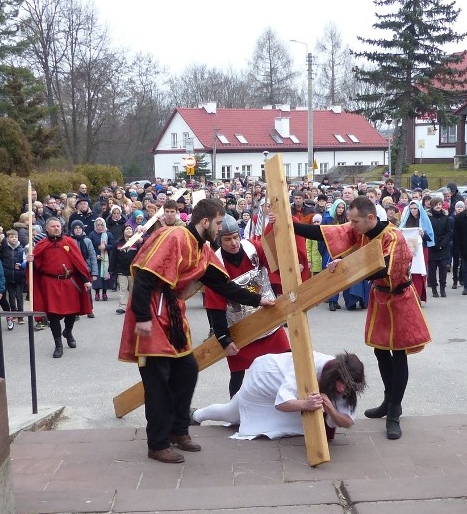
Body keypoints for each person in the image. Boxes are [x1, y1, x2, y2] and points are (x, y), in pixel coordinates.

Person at [118, 198, 275, 464]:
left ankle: (178, 431)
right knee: (157, 381)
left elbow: (221, 284)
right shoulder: (175, 237)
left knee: (187, 370)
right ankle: (157, 443)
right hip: (152, 312)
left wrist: (257, 300)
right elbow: (144, 275)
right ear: (205, 222)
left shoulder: (201, 249)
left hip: (171, 313)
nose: (219, 228)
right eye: (216, 223)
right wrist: (142, 318)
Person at [289, 195, 432, 439]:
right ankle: (388, 400)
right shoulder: (361, 228)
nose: (350, 225)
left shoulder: (393, 237)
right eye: (350, 221)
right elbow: (327, 232)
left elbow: (377, 268)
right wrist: (290, 225)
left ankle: (395, 412)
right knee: (380, 351)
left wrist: (342, 265)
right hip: (380, 298)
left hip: (399, 299)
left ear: (369, 218)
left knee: (398, 355)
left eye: (354, 221)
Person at [205, 214, 290, 397]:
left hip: (269, 319)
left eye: (236, 237)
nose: (234, 243)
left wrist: (275, 227)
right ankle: (236, 415)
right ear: (219, 240)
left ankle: (290, 402)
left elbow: (275, 255)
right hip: (240, 327)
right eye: (227, 239)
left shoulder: (254, 247)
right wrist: (224, 339)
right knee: (238, 375)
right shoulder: (215, 264)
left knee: (289, 362)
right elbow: (214, 305)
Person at [192, 351, 366, 441]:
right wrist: (306, 404)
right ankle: (195, 415)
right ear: (334, 375)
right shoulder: (308, 364)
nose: (343, 390)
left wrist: (330, 408)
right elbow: (281, 403)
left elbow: (348, 422)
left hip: (291, 393)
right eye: (342, 383)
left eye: (348, 387)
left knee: (298, 424)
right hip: (265, 378)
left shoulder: (347, 383)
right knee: (232, 413)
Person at [27, 218, 93, 358]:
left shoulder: (69, 242)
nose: (56, 228)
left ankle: (68, 332)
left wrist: (86, 280)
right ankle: (58, 344)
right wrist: (30, 261)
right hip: (49, 283)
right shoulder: (40, 245)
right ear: (47, 229)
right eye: (53, 226)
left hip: (69, 282)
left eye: (58, 226)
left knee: (72, 313)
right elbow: (35, 267)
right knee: (53, 316)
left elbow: (78, 262)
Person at [426, 197, 452, 298]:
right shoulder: (428, 217)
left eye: (440, 204)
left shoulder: (446, 217)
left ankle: (442, 288)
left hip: (443, 247)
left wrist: (442, 244)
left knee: (443, 268)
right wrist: (433, 243)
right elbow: (427, 231)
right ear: (432, 205)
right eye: (436, 204)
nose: (438, 206)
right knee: (432, 270)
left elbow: (449, 232)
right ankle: (434, 289)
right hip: (432, 246)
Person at [0, 229, 26, 328]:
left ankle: (21, 315)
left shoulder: (21, 249)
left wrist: (22, 267)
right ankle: (14, 313)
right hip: (9, 275)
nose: (14, 239)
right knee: (11, 296)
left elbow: (24, 261)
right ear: (7, 239)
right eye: (11, 237)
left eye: (15, 237)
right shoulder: (5, 249)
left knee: (19, 296)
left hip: (19, 276)